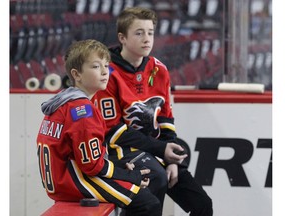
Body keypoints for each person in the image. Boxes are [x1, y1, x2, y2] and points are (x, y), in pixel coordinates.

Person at [92, 7, 213, 216]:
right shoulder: (107, 73)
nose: (147, 39)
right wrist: (161, 150)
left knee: (202, 204)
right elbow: (113, 132)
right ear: (122, 37)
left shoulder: (159, 69)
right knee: (155, 182)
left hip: (156, 152)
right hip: (119, 151)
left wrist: (170, 159)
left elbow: (165, 119)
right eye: (139, 33)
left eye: (150, 32)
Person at [36, 39, 162, 216]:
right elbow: (91, 166)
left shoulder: (63, 102)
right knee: (148, 203)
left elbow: (83, 157)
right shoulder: (82, 110)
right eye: (96, 67)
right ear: (77, 74)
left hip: (60, 181)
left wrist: (118, 166)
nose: (105, 72)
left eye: (106, 65)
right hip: (74, 182)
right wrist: (129, 176)